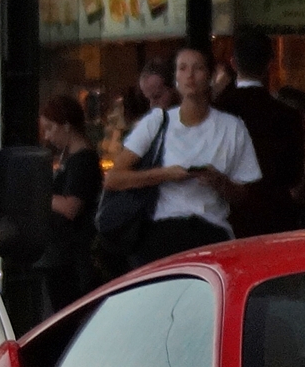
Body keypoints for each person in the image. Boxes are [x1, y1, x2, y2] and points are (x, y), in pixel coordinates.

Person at [104, 46, 263, 264]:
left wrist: (219, 182)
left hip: (211, 230)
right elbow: (113, 179)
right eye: (183, 68)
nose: (190, 75)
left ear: (209, 75)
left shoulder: (232, 127)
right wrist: (164, 174)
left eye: (197, 68)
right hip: (163, 230)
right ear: (175, 77)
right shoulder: (157, 121)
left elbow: (244, 194)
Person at [214, 31, 305, 238]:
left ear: (233, 63)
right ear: (269, 65)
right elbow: (294, 176)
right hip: (276, 218)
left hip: (228, 219)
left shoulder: (218, 110)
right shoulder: (288, 115)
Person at [33, 94, 102, 313]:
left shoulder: (83, 161)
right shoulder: (70, 158)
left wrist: (41, 196)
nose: (48, 136)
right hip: (63, 255)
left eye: (51, 128)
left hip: (71, 257)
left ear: (67, 126)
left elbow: (71, 207)